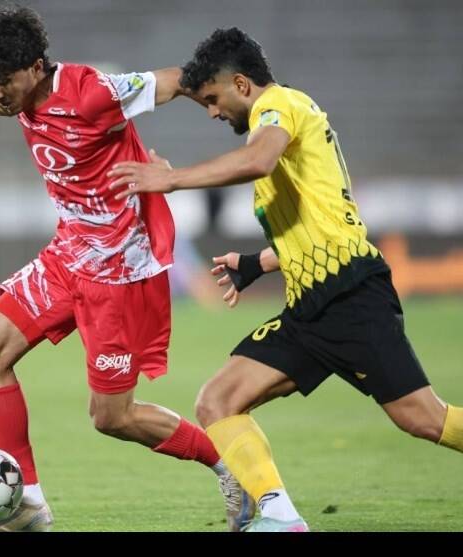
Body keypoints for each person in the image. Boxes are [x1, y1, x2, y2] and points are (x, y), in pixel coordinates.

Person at [0, 8, 254, 531]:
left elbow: (177, 80)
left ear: (35, 67)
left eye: (4, 80)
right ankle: (28, 503)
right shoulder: (15, 95)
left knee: (112, 418)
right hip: (67, 256)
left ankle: (229, 467)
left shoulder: (93, 93)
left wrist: (246, 115)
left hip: (117, 274)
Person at [107, 27, 463, 532]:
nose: (212, 112)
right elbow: (320, 220)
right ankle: (280, 516)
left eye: (214, 99)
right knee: (218, 400)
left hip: (351, 297)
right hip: (311, 307)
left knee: (423, 418)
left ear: (241, 84)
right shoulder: (284, 118)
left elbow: (258, 161)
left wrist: (172, 179)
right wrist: (257, 263)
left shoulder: (279, 106)